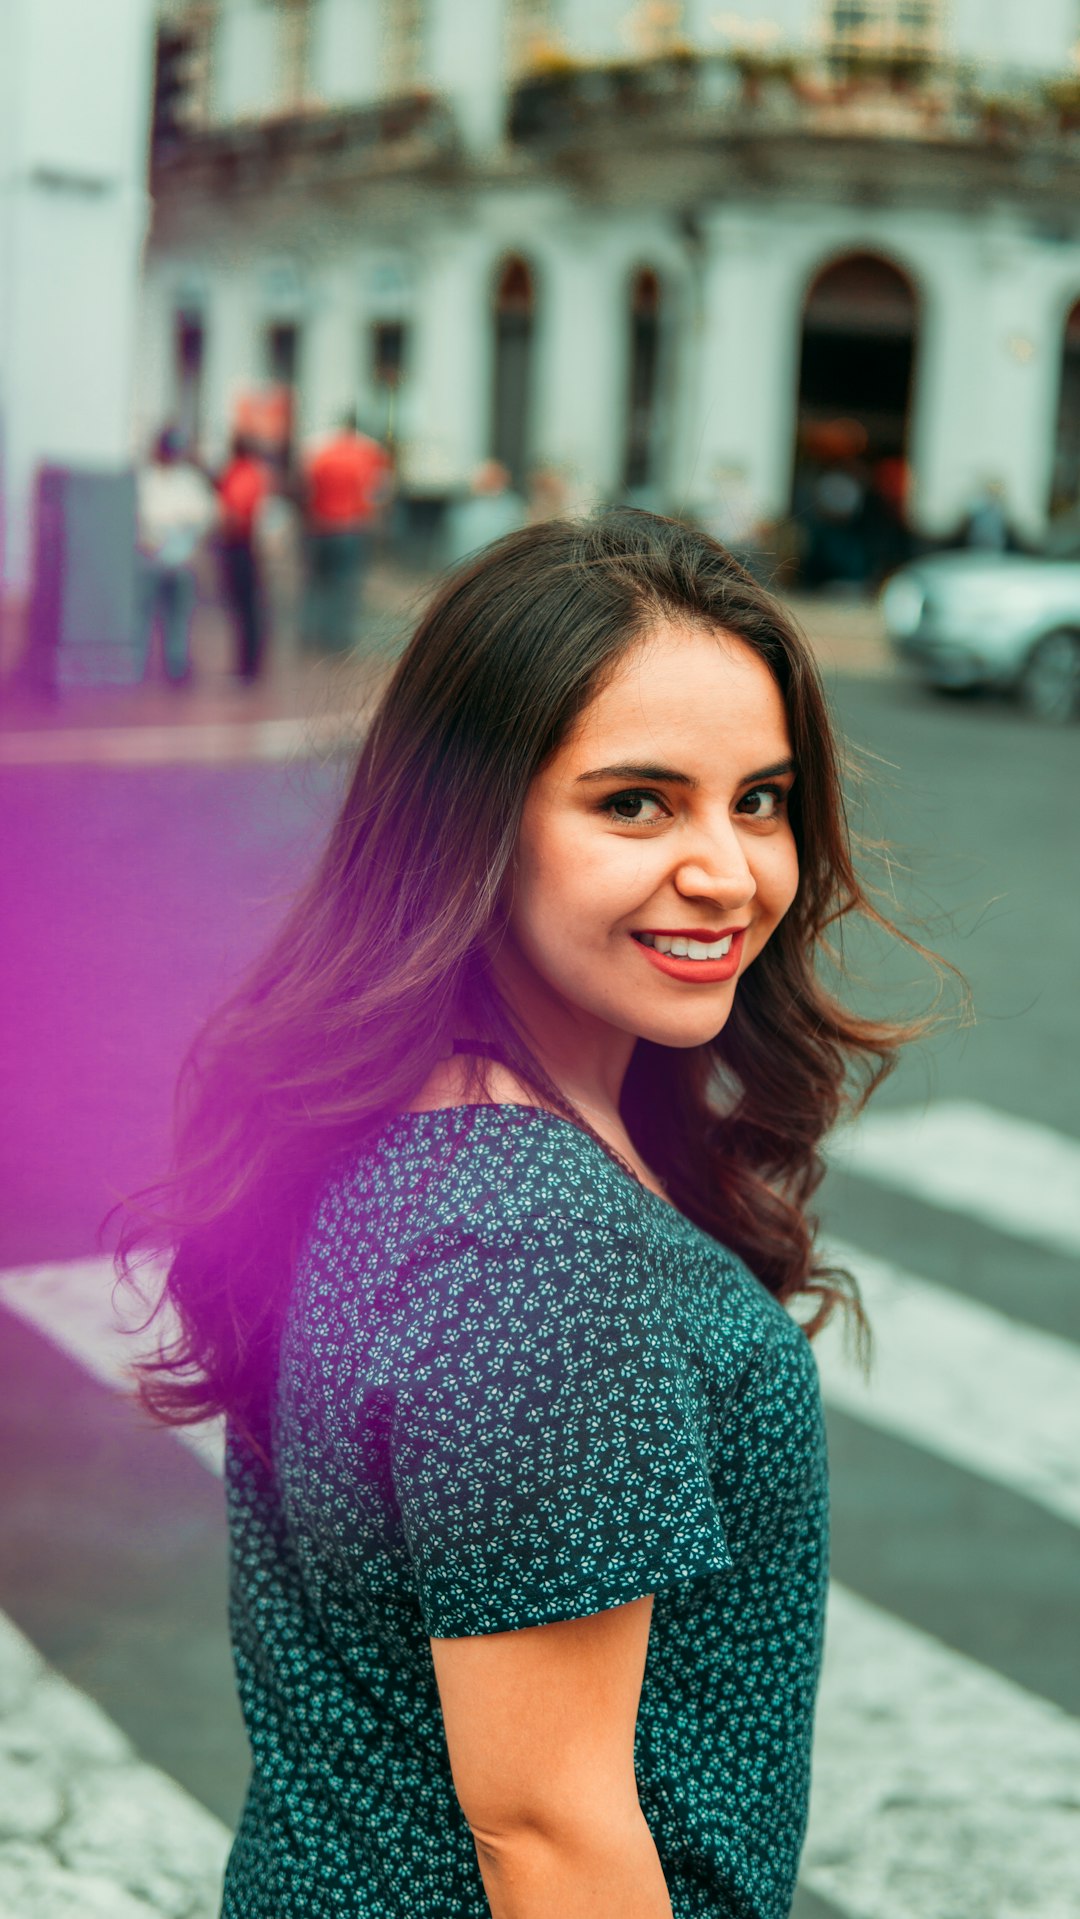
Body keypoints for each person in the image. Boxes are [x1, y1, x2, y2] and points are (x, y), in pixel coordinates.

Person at [120, 511, 940, 1919]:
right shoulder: (532, 1238)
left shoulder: (434, 1121)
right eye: (636, 801)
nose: (730, 870)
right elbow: (552, 1837)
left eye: (760, 797)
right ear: (473, 826)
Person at [303, 412, 391, 653]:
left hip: (320, 525)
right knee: (345, 584)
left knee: (316, 583)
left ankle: (310, 635)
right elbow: (378, 492)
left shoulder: (320, 450)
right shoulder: (370, 452)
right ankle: (338, 638)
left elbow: (306, 487)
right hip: (351, 526)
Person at [135, 427, 217, 684]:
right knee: (143, 615)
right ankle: (138, 666)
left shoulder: (189, 480)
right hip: (150, 559)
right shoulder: (145, 478)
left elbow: (204, 515)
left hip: (181, 559)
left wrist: (185, 534)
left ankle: (176, 666)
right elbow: (139, 517)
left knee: (178, 617)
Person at [217, 435, 271, 682]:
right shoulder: (256, 474)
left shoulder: (239, 474)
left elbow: (235, 515)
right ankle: (251, 665)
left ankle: (247, 667)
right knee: (250, 609)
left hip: (240, 547)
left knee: (245, 610)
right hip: (250, 547)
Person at [442, 458, 527, 568]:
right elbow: (451, 536)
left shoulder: (511, 505)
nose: (487, 480)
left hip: (496, 565)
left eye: (493, 477)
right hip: (463, 565)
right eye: (485, 477)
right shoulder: (466, 504)